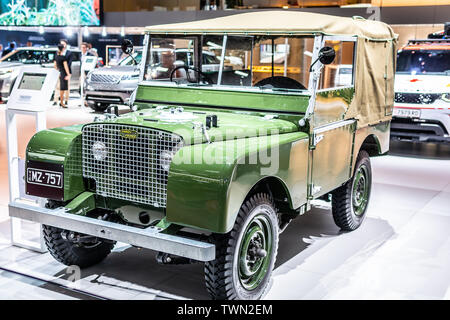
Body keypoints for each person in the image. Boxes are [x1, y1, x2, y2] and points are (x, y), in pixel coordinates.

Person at [54, 44, 71, 108]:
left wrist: (58, 71)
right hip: (63, 73)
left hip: (59, 73)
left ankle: (61, 102)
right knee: (63, 89)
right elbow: (66, 67)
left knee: (60, 88)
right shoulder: (63, 57)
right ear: (63, 49)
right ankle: (61, 103)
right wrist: (68, 74)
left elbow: (55, 66)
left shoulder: (56, 57)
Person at [60, 39, 72, 105]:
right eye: (61, 44)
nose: (62, 45)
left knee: (67, 87)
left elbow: (69, 63)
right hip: (60, 72)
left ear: (66, 44)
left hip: (67, 72)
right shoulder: (58, 52)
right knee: (59, 87)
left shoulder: (69, 53)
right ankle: (58, 100)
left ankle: (66, 100)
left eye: (63, 44)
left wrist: (68, 73)